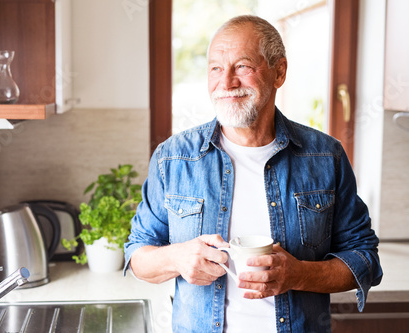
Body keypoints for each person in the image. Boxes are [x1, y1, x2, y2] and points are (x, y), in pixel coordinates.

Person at [124, 15, 382, 332]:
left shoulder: (326, 156)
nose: (226, 82)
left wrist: (299, 274)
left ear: (279, 71)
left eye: (242, 66)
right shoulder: (173, 157)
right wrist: (175, 258)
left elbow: (365, 258)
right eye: (216, 68)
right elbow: (137, 256)